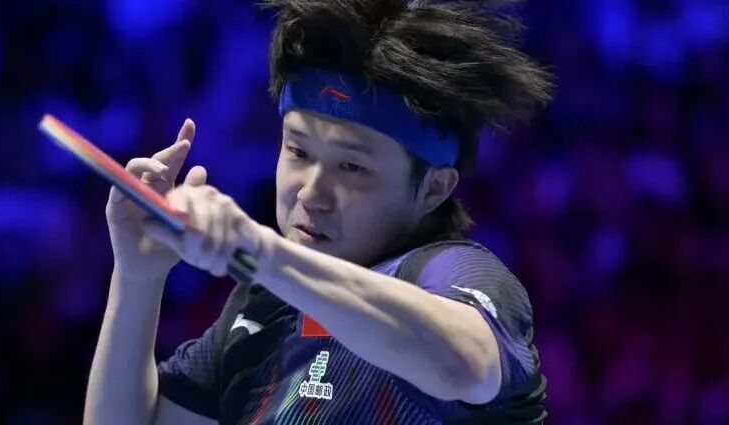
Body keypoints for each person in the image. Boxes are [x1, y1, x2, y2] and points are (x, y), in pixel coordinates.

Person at [84, 0, 553, 423]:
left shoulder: (456, 273)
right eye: (299, 151)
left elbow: (465, 365)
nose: (311, 193)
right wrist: (137, 277)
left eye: (352, 167)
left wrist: (260, 251)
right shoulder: (260, 310)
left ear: (433, 188)